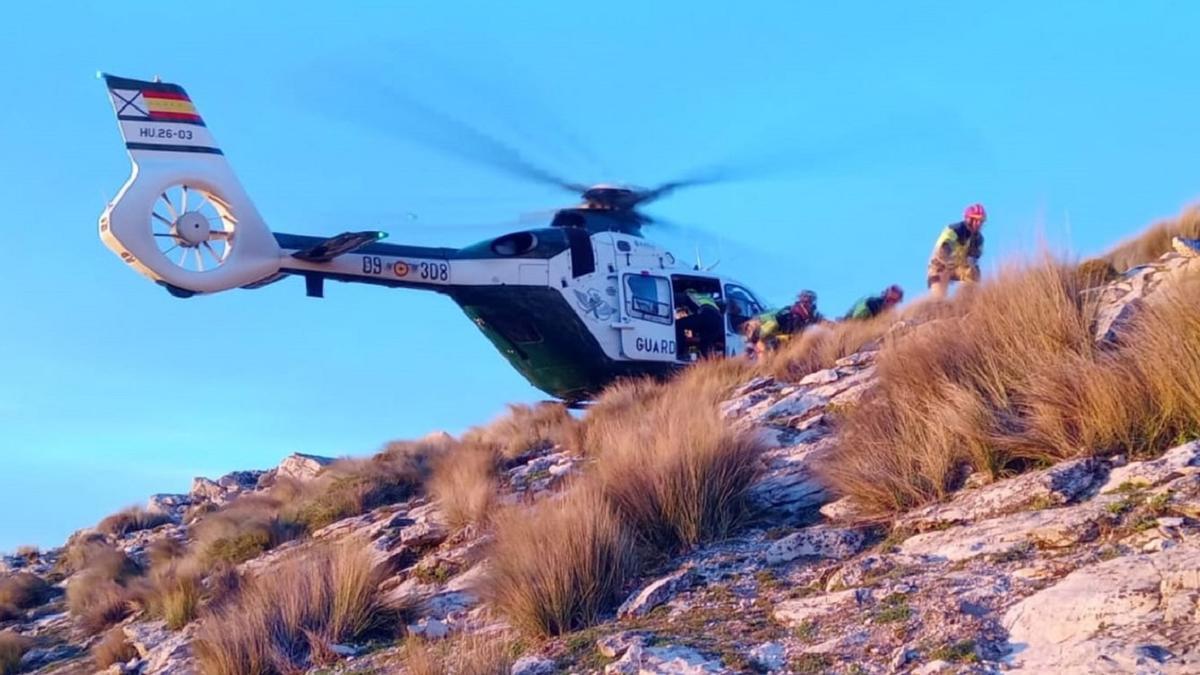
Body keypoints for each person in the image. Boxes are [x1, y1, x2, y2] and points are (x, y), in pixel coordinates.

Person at [927, 203, 986, 298]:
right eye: (976, 220)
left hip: (958, 267)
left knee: (974, 272)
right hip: (940, 265)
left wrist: (969, 269)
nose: (979, 224)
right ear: (968, 219)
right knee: (938, 297)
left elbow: (973, 260)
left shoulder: (979, 240)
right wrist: (949, 262)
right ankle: (938, 304)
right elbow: (943, 250)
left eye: (981, 221)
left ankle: (967, 300)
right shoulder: (954, 230)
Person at [744, 290, 823, 357]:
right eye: (808, 302)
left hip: (770, 340)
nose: (811, 305)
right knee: (766, 358)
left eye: (811, 302)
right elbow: (793, 336)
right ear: (803, 303)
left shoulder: (801, 315)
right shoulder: (793, 316)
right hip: (765, 341)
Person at [678, 288, 724, 358]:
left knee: (679, 324)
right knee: (704, 344)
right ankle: (704, 361)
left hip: (706, 316)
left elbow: (678, 299)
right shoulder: (707, 298)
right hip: (718, 322)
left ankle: (680, 352)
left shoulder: (689, 295)